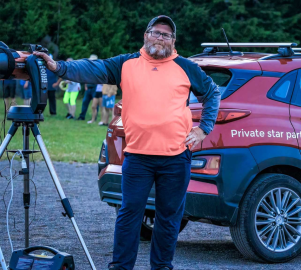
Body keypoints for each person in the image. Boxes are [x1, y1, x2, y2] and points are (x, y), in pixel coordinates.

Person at [34, 15, 220, 270]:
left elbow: (212, 93)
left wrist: (203, 130)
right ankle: (120, 267)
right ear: (145, 35)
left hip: (176, 158)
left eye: (166, 35)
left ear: (173, 41)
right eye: (155, 32)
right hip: (137, 157)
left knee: (168, 218)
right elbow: (93, 69)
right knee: (129, 215)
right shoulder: (127, 63)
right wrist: (59, 67)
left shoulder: (185, 67)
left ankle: (162, 266)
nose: (160, 38)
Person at [78, 54, 99, 120]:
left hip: (95, 88)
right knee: (85, 102)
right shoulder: (88, 68)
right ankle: (82, 116)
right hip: (88, 88)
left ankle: (94, 117)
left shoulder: (98, 69)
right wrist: (85, 85)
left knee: (95, 104)